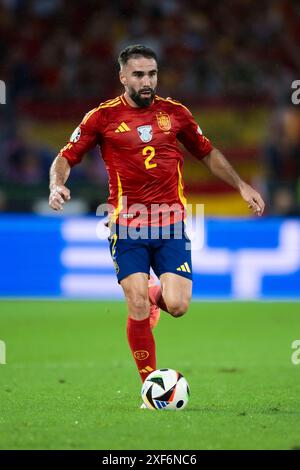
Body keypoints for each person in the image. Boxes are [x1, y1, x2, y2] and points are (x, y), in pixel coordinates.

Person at [49, 45, 265, 398]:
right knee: (134, 303)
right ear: (122, 77)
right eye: (138, 74)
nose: (146, 81)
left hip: (170, 224)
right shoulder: (101, 118)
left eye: (151, 73)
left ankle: (154, 295)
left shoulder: (175, 113)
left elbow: (206, 152)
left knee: (177, 305)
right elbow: (65, 156)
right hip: (127, 224)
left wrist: (241, 185)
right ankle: (151, 389)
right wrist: (57, 183)